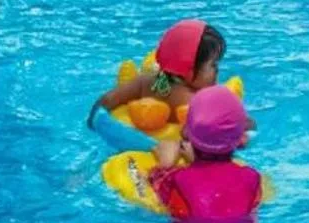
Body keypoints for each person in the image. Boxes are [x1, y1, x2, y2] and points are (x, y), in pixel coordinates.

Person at [148, 84, 263, 223]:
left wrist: (166, 164)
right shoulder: (252, 178)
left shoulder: (178, 179)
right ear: (241, 139)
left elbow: (155, 181)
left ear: (186, 132)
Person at [88, 19, 226, 148]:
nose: (217, 70)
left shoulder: (145, 81)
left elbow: (108, 99)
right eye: (213, 65)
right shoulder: (193, 101)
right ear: (189, 70)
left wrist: (92, 123)